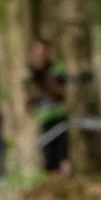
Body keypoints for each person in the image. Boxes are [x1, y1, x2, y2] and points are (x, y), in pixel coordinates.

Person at [28, 39, 69, 173]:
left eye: (43, 51)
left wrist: (46, 81)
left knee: (62, 152)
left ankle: (66, 181)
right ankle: (53, 185)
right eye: (38, 52)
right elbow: (28, 98)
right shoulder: (30, 71)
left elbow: (62, 92)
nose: (41, 55)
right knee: (48, 155)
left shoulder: (57, 68)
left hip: (59, 115)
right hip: (43, 117)